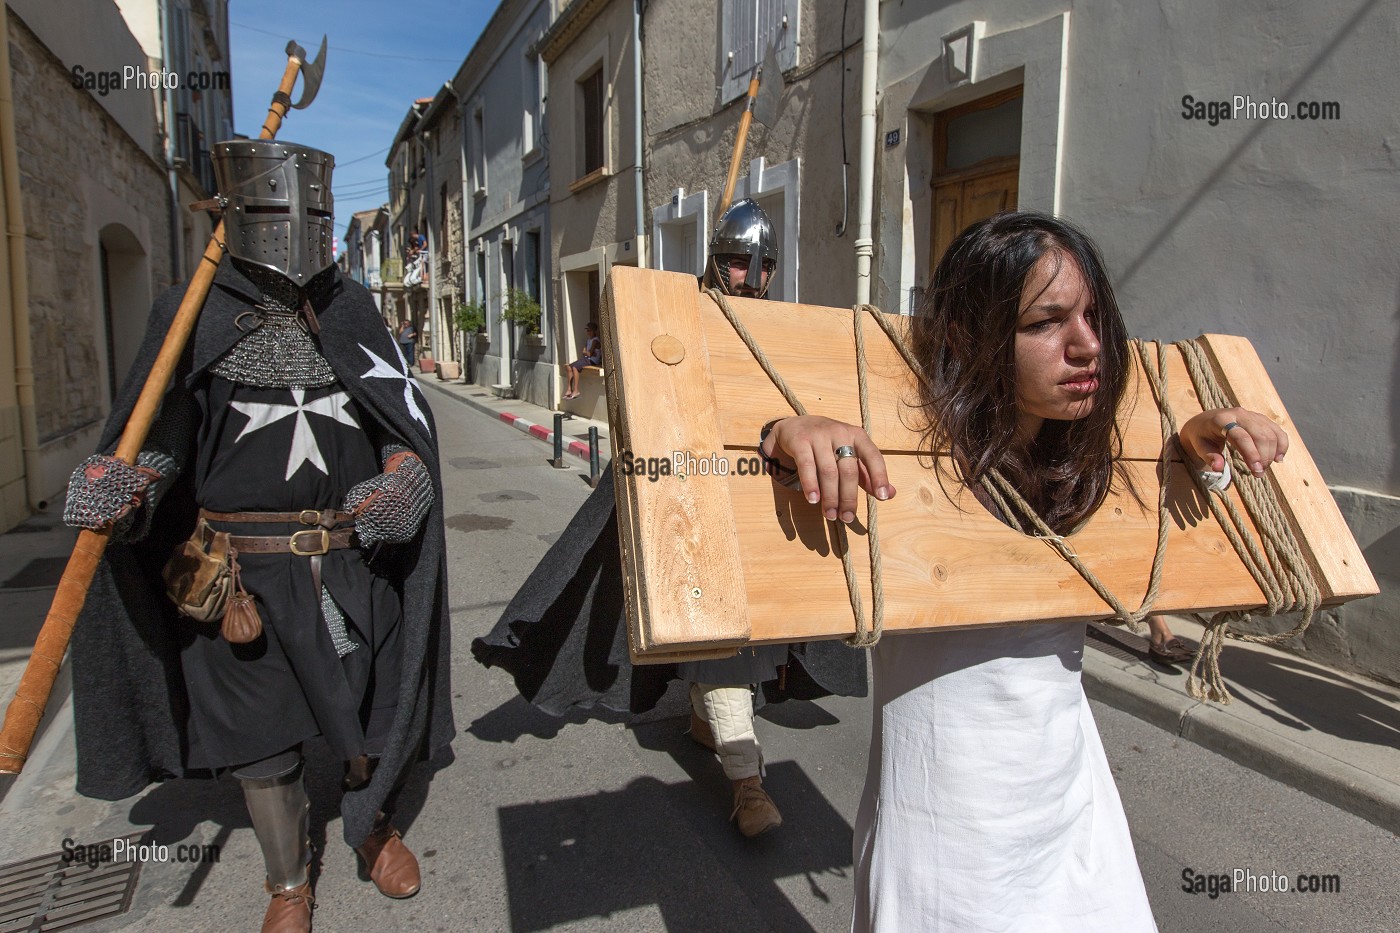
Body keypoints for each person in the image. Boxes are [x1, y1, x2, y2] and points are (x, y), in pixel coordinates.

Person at [755, 211, 1287, 930]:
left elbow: (1177, 495)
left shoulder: (1085, 466)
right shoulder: (907, 460)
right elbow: (771, 460)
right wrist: (783, 434)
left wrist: (1193, 451)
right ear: (967, 337)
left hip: (1072, 810)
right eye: (1047, 322)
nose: (1087, 345)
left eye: (1094, 316)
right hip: (944, 827)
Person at [63, 139, 454, 933]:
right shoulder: (191, 314)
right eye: (277, 208)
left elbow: (396, 422)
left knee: (361, 712)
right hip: (239, 577)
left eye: (313, 208)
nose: (296, 225)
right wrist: (128, 485)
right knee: (261, 739)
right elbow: (162, 436)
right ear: (235, 213)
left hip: (346, 562)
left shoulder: (350, 309)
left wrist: (406, 476)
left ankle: (370, 822)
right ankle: (286, 880)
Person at [473, 198, 866, 838]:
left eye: (760, 264)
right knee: (719, 639)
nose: (749, 275)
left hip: (763, 505)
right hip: (689, 498)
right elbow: (647, 393)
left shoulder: (787, 330)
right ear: (718, 261)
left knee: (759, 636)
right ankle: (748, 783)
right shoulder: (682, 318)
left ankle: (708, 721)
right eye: (737, 262)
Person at [563, 321, 601, 400]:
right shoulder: (588, 340)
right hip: (588, 359)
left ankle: (576, 390)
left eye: (590, 330)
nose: (588, 332)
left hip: (593, 361)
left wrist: (588, 353)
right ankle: (569, 389)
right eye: (587, 330)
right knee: (569, 367)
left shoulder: (595, 340)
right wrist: (587, 353)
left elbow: (589, 353)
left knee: (575, 367)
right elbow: (584, 352)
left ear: (594, 331)